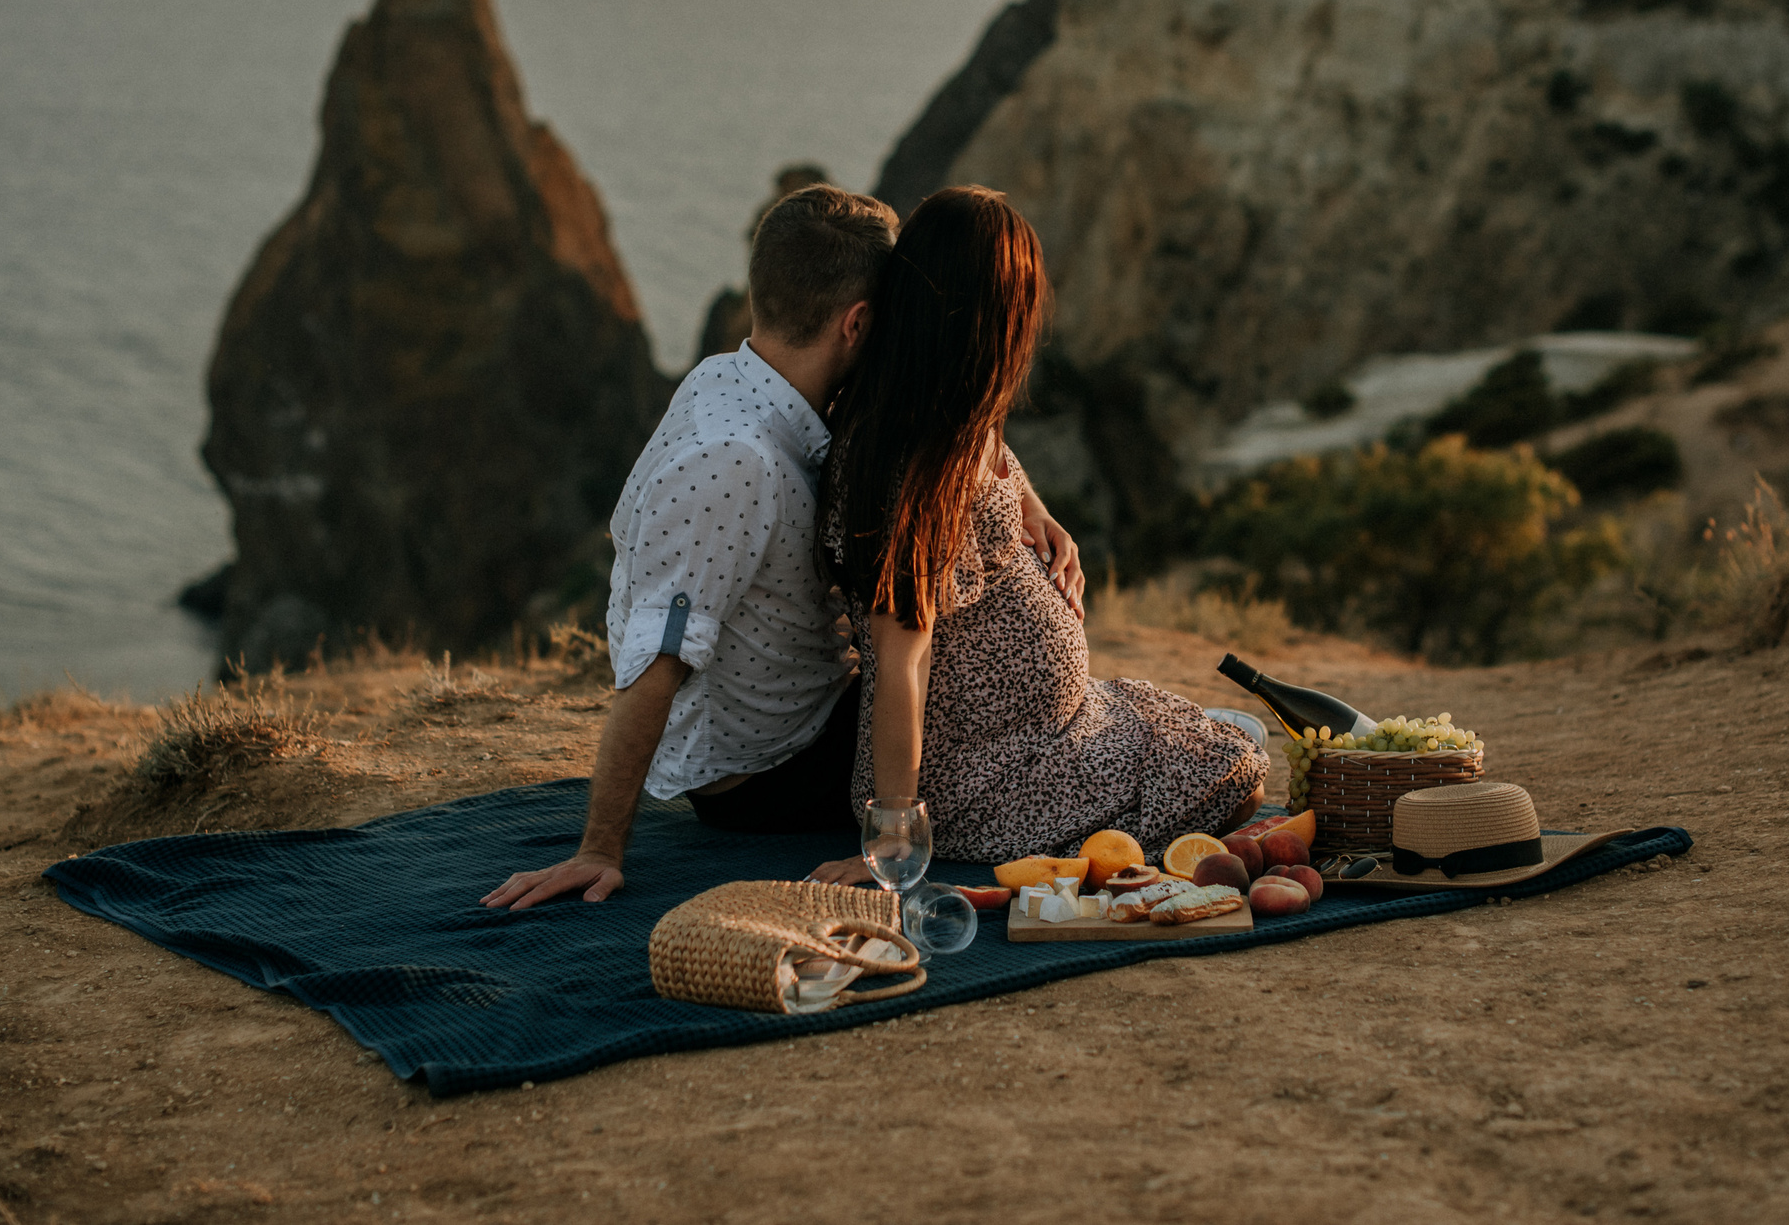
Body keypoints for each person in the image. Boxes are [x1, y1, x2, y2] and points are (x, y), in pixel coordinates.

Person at [481, 183, 1082, 909]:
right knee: (989, 739)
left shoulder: (746, 378)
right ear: (858, 325)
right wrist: (599, 848)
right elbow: (658, 659)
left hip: (813, 717)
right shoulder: (733, 463)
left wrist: (1027, 501)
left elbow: (950, 417)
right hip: (773, 770)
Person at [809, 187, 1263, 881]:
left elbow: (999, 457)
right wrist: (896, 836)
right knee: (1238, 776)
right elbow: (901, 657)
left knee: (1224, 741)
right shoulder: (910, 467)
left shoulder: (949, 405)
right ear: (990, 321)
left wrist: (1037, 512)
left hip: (1040, 734)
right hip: (983, 779)